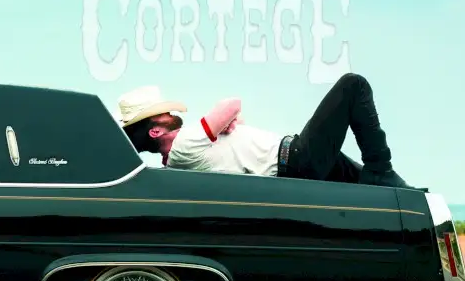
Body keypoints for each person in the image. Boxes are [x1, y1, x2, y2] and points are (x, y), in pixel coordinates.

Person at [117, 74, 419, 189]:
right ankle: (382, 168)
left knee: (383, 189)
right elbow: (232, 103)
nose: (173, 115)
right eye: (164, 114)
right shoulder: (184, 144)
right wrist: (228, 117)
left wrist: (230, 121)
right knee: (353, 85)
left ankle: (392, 183)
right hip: (297, 159)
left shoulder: (179, 158)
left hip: (298, 161)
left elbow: (235, 125)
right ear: (155, 131)